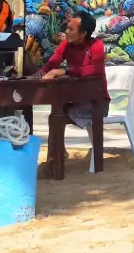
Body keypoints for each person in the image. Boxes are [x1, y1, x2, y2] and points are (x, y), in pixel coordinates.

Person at [37, 11, 108, 174]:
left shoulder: (96, 45)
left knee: (57, 117)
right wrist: (35, 76)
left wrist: (65, 71)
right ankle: (57, 156)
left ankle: (53, 164)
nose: (66, 32)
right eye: (67, 28)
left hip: (97, 103)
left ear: (83, 34)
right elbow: (51, 64)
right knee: (55, 115)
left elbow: (94, 69)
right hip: (76, 101)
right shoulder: (66, 44)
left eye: (71, 29)